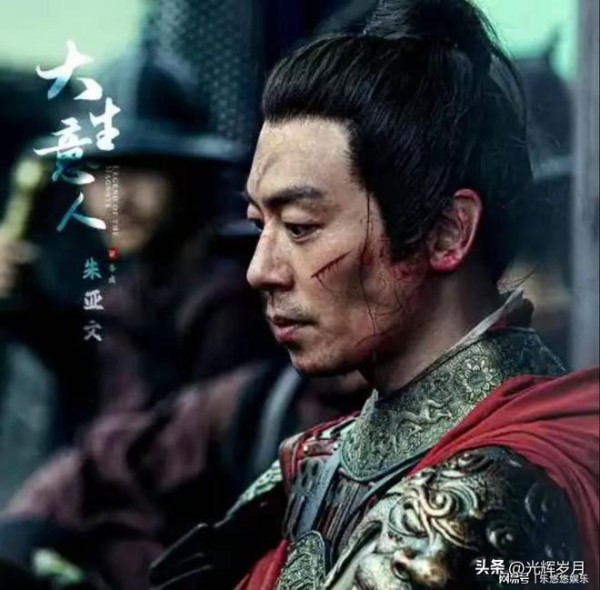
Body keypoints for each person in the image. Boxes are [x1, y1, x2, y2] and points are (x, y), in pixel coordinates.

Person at [150, 0, 599, 589]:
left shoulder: (480, 498)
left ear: (447, 233)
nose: (260, 271)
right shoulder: (317, 460)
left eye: (301, 227)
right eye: (261, 226)